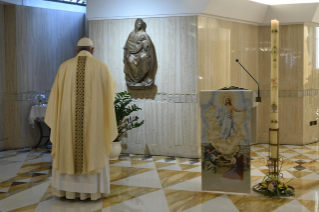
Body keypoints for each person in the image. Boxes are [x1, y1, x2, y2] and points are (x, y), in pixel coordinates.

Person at [45, 37, 117, 200]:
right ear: (93, 50)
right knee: (94, 147)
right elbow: (110, 94)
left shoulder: (64, 67)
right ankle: (92, 191)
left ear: (76, 50)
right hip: (94, 124)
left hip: (67, 124)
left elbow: (55, 98)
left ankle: (66, 190)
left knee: (67, 147)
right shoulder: (101, 67)